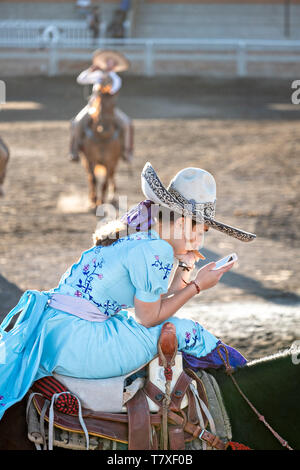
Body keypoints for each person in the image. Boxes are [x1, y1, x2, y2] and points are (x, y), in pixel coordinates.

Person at [0, 162, 256, 418]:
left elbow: (155, 299)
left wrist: (186, 268)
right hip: (81, 343)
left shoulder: (139, 236)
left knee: (171, 328)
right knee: (190, 332)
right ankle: (250, 391)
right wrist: (199, 286)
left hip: (56, 330)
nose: (199, 241)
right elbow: (148, 317)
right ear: (179, 223)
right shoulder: (158, 251)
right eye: (198, 231)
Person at [69, 50, 133, 163]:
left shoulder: (116, 79)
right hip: (93, 107)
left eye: (111, 62)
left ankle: (127, 151)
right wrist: (90, 70)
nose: (109, 64)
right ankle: (74, 150)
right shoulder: (98, 75)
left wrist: (104, 85)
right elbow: (81, 79)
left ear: (115, 65)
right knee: (77, 122)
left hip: (109, 108)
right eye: (107, 61)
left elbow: (112, 91)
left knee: (127, 123)